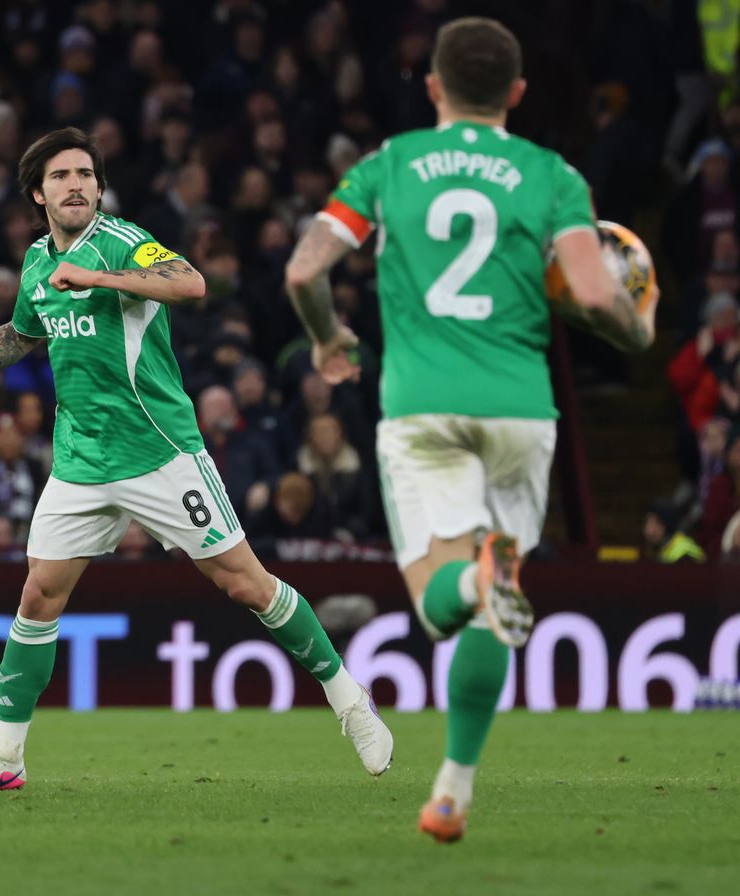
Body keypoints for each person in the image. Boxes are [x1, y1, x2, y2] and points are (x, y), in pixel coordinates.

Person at [0, 126, 392, 792]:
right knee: (38, 596)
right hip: (81, 460)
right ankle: (4, 757)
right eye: (61, 176)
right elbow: (24, 334)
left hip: (159, 451)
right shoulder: (32, 265)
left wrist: (98, 276)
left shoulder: (121, 241)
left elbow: (191, 282)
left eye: (86, 173)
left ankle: (350, 702)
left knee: (245, 584)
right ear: (37, 192)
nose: (76, 183)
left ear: (99, 187)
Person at [283, 17, 656, 843]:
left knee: (444, 605)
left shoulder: (390, 165)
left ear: (433, 88)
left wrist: (326, 336)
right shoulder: (553, 175)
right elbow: (599, 298)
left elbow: (305, 266)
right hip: (523, 411)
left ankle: (477, 583)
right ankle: (452, 791)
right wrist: (640, 332)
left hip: (423, 410)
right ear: (518, 95)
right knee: (499, 602)